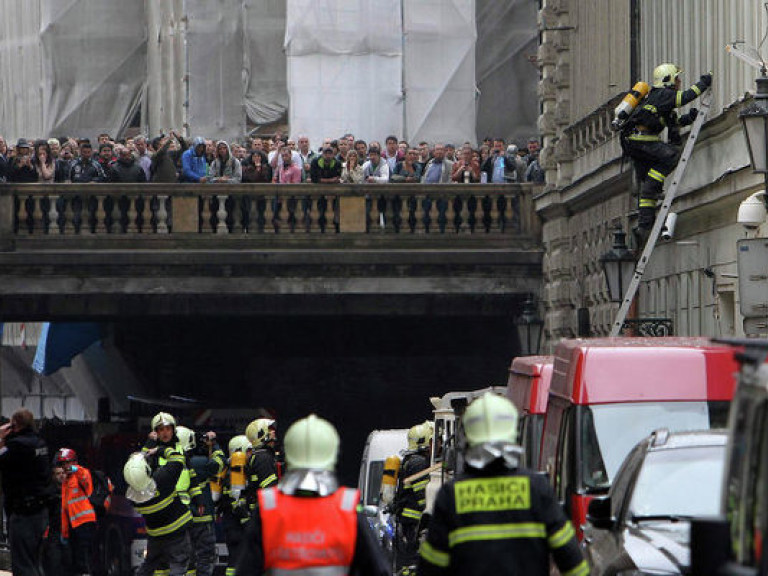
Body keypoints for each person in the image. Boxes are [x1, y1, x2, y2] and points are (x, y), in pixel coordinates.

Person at [418, 393, 588, 576]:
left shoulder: (450, 496)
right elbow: (574, 564)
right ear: (513, 436)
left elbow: (430, 569)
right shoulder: (537, 489)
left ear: (466, 440)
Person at [237, 414, 390, 576]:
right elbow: (379, 570)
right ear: (333, 453)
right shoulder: (347, 506)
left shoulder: (268, 507)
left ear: (289, 451)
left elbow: (246, 570)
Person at [620, 64, 711, 244]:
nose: (679, 82)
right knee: (670, 156)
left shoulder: (659, 100)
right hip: (641, 141)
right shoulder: (664, 95)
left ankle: (646, 226)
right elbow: (685, 97)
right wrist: (703, 83)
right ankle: (653, 190)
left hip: (635, 143)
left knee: (648, 188)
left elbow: (674, 123)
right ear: (668, 79)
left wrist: (690, 118)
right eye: (676, 78)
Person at [124, 448, 192, 576]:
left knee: (149, 565)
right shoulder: (163, 479)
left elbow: (137, 477)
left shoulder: (134, 499)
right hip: (177, 532)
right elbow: (178, 458)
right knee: (178, 564)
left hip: (155, 536)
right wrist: (159, 450)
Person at [0, 409, 51, 576]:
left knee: (22, 564)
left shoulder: (17, 446)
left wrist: (1, 438)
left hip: (23, 512)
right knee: (35, 562)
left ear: (14, 425)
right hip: (41, 511)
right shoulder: (40, 443)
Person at [177, 426, 218, 576]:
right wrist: (213, 444)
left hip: (182, 520)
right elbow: (219, 464)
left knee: (188, 560)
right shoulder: (199, 462)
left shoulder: (170, 464)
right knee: (205, 559)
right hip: (202, 519)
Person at [393, 421, 433, 574]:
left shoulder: (410, 461)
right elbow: (423, 498)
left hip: (407, 522)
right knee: (412, 562)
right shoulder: (418, 464)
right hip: (413, 522)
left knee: (407, 562)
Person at [57, 447, 98, 576]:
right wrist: (64, 532)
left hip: (85, 523)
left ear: (75, 462)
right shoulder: (66, 482)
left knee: (84, 556)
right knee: (76, 558)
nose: (65, 466)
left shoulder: (80, 474)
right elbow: (64, 508)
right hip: (74, 525)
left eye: (68, 462)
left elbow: (84, 476)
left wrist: (75, 469)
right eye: (63, 463)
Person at [42, 464, 71, 576]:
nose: (62, 476)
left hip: (69, 531)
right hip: (54, 531)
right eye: (58, 474)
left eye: (63, 473)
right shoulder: (49, 492)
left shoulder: (70, 490)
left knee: (68, 561)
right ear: (53, 476)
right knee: (54, 561)